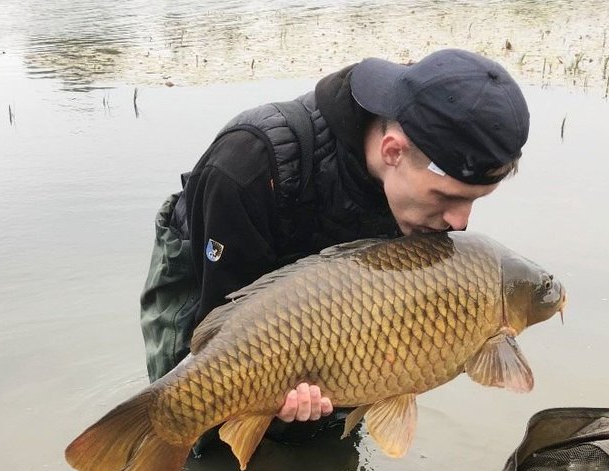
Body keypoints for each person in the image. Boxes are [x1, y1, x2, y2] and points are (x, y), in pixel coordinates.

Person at [140, 48, 530, 440]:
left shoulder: (409, 180)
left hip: (322, 316)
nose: (461, 223)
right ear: (392, 151)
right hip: (212, 281)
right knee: (199, 418)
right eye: (445, 198)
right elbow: (220, 333)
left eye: (473, 200)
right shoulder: (248, 166)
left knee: (325, 437)